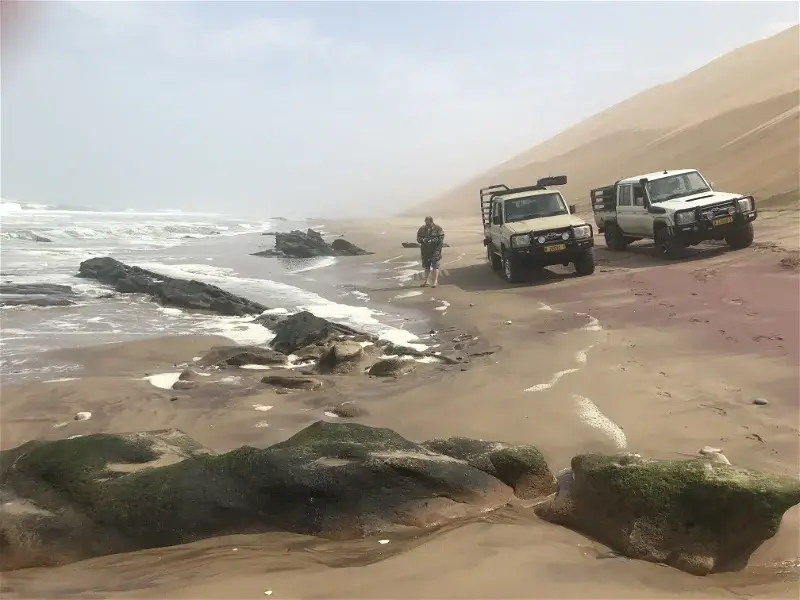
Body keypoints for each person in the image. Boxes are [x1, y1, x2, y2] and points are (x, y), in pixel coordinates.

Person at [416, 216, 445, 288]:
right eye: (426, 221)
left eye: (428, 221)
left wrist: (432, 241)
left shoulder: (438, 228)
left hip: (435, 250)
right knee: (426, 266)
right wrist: (423, 240)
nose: (427, 223)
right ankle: (426, 281)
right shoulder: (422, 229)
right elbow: (418, 238)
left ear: (431, 221)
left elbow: (441, 237)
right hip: (425, 250)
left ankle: (435, 282)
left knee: (435, 266)